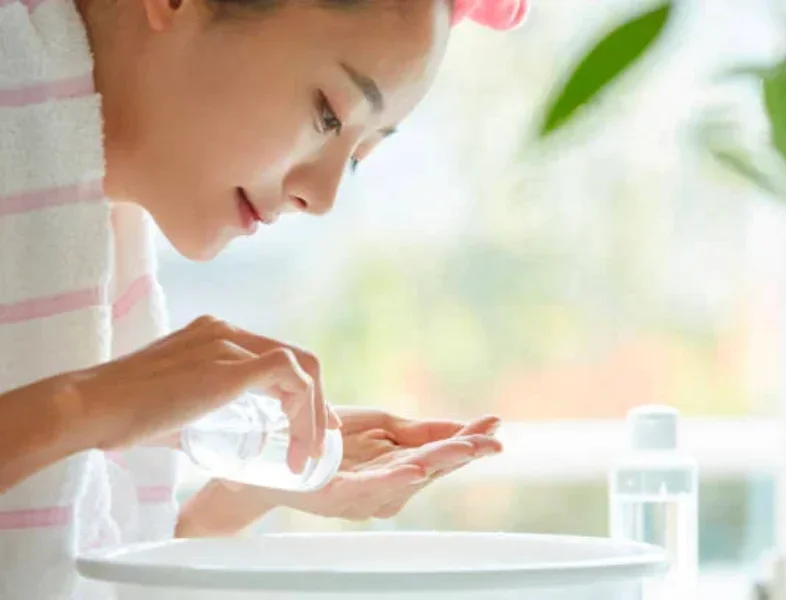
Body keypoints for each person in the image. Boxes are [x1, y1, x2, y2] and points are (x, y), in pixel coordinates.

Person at [0, 0, 528, 597]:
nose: (323, 197)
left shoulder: (95, 216)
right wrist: (89, 406)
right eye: (329, 115)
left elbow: (65, 571)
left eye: (356, 158)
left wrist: (258, 480)